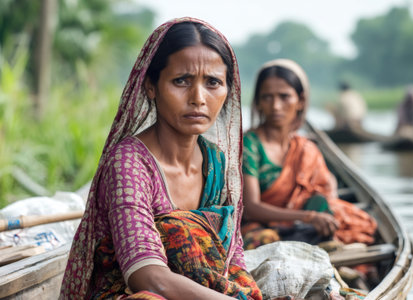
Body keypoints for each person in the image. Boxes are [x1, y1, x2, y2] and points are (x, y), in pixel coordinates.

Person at [60, 18, 261, 300]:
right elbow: (147, 276)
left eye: (213, 83)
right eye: (181, 81)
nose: (198, 98)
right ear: (151, 86)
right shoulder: (129, 163)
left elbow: (233, 260)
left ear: (227, 91)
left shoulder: (216, 163)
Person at [241, 59, 377, 250]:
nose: (276, 106)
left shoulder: (306, 149)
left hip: (304, 225)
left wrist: (316, 214)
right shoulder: (249, 144)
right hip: (263, 226)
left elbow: (323, 193)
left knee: (358, 222)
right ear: (258, 102)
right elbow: (251, 208)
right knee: (263, 241)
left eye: (284, 96)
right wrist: (307, 217)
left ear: (300, 101)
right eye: (267, 97)